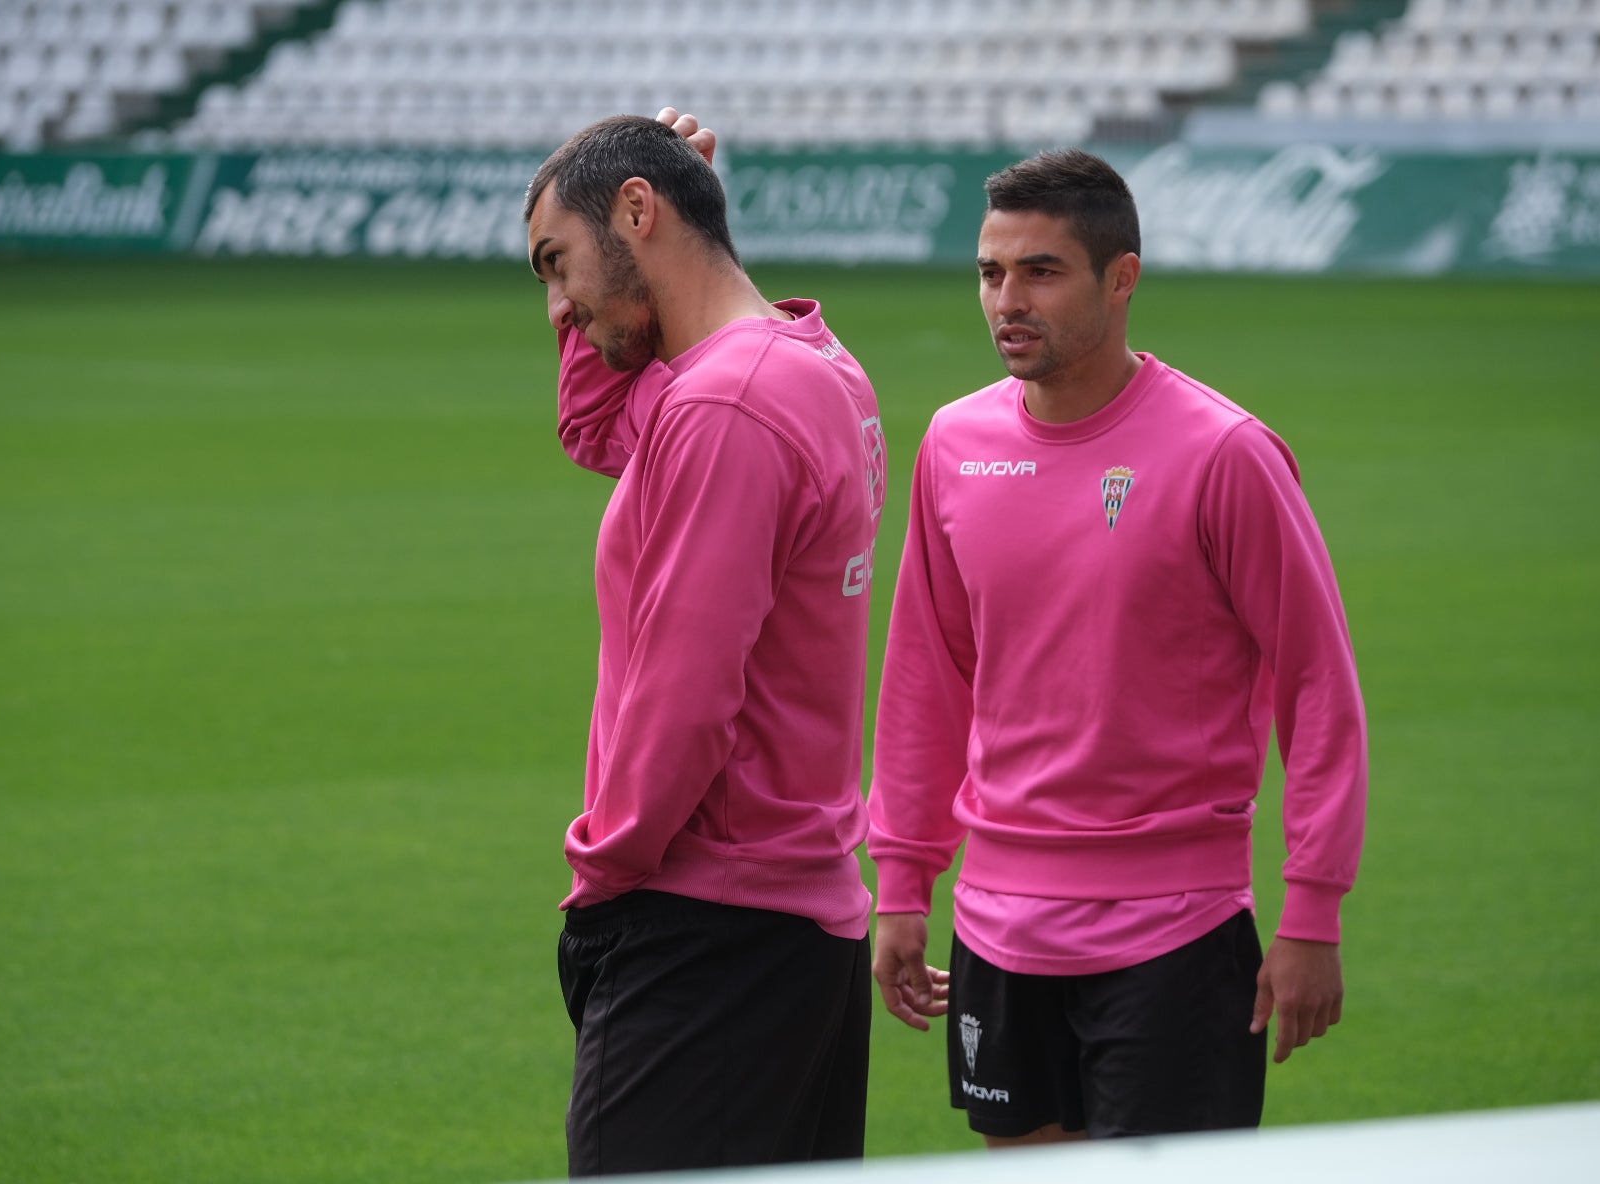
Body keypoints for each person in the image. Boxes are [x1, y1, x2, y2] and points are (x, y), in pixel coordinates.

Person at [867, 148, 1368, 1146]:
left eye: (1041, 271)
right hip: (996, 926)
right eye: (989, 272)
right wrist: (902, 882)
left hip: (1174, 929)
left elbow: (1320, 687)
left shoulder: (1224, 454)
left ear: (1121, 277)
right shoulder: (954, 445)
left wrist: (1313, 908)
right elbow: (928, 673)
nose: (1007, 298)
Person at [524, 109, 887, 1175]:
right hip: (795, 923)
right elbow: (598, 427)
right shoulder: (810, 366)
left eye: (558, 264)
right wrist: (648, 231)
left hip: (705, 926)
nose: (558, 304)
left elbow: (688, 697)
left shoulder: (724, 404)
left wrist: (603, 872)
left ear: (637, 211)